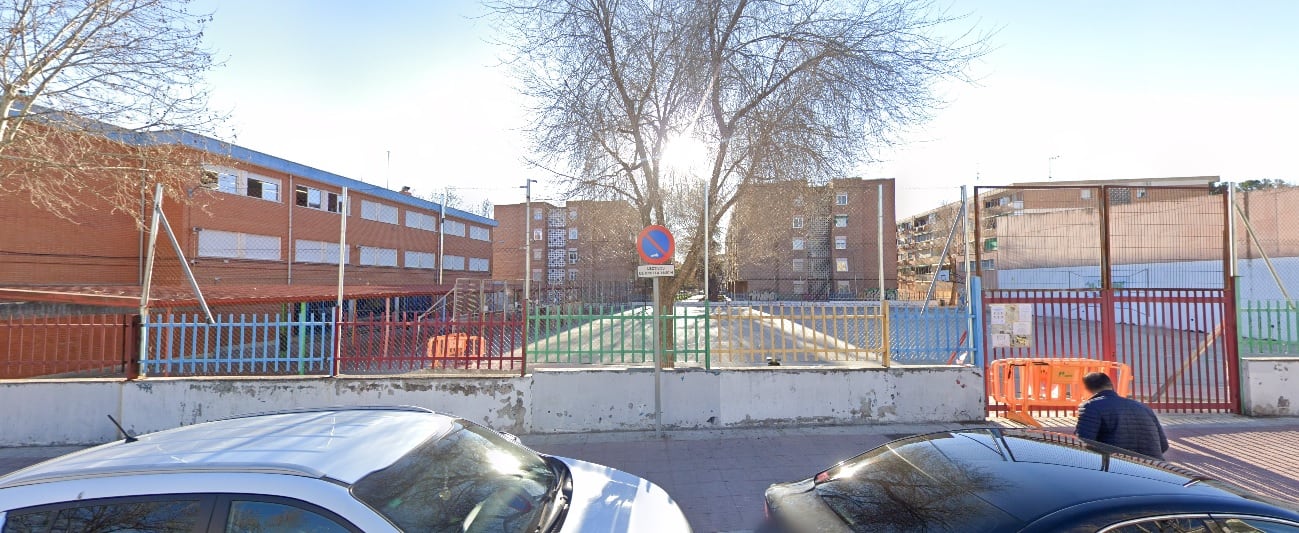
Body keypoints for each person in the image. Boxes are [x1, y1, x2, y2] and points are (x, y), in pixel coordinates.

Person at [1075, 372, 1169, 460]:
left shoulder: (1091, 406)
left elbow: (1084, 442)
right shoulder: (1143, 407)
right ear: (1112, 386)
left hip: (1118, 468)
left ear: (1086, 389)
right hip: (1154, 469)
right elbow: (1163, 446)